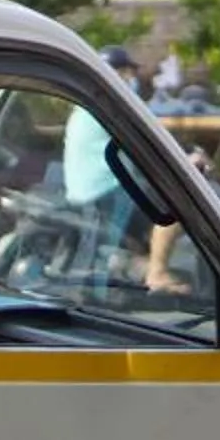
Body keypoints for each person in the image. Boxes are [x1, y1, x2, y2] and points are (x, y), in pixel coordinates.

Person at [62, 45, 182, 293]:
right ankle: (157, 273)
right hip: (107, 191)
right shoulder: (113, 105)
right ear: (118, 74)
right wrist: (186, 160)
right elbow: (151, 144)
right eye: (128, 73)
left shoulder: (84, 104)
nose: (132, 79)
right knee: (176, 206)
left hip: (80, 192)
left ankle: (139, 264)